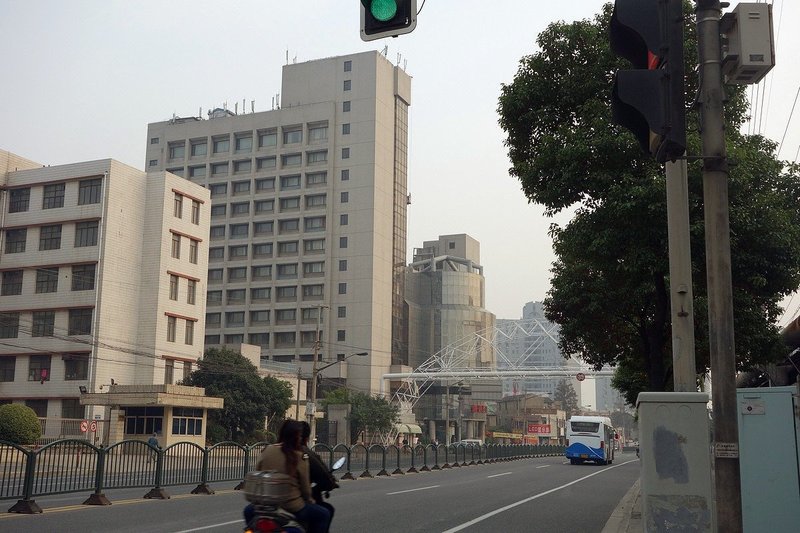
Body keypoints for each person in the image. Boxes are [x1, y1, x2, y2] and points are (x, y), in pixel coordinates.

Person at [244, 420, 331, 533]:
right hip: (293, 506)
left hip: (264, 507)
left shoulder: (266, 450)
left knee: (248, 513)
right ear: (297, 437)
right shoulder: (299, 456)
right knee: (324, 514)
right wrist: (310, 499)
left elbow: (258, 474)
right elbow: (306, 489)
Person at [300, 422, 338, 522]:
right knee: (325, 513)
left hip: (265, 504)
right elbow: (322, 473)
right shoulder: (304, 454)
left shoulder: (271, 450)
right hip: (293, 501)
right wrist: (330, 482)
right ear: (306, 438)